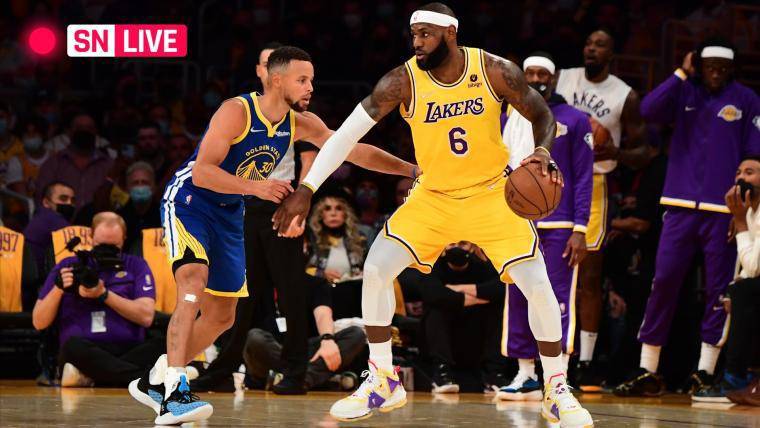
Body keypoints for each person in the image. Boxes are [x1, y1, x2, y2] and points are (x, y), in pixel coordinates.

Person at [273, 4, 593, 426]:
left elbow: (542, 115)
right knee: (376, 268)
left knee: (537, 284)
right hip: (434, 197)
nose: (417, 43)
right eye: (414, 35)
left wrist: (542, 152)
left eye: (426, 34)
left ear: (451, 33)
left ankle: (556, 387)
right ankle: (383, 379)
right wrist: (307, 188)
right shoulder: (402, 80)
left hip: (492, 194)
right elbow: (344, 136)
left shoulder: (493, 70)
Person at [129, 46, 417, 425]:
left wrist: (411, 169)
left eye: (311, 79)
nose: (310, 87)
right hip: (190, 203)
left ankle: (157, 378)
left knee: (222, 316)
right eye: (302, 79)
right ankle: (175, 391)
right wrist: (257, 187)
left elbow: (351, 150)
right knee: (193, 283)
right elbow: (202, 172)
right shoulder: (236, 111)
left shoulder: (299, 122)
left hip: (230, 212)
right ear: (277, 80)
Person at [614, 39, 760, 397]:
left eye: (722, 68)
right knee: (663, 282)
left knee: (718, 290)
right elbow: (648, 109)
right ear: (699, 65)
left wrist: (741, 209)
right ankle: (648, 369)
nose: (716, 73)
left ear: (732, 69)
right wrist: (680, 72)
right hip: (678, 204)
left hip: (722, 210)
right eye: (709, 66)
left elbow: (754, 156)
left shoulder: (747, 99)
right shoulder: (684, 91)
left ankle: (705, 371)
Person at [189, 41, 320, 396]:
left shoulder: (297, 114)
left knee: (291, 292)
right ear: (265, 73)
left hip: (282, 205)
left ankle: (296, 371)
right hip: (241, 205)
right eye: (262, 63)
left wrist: (302, 201)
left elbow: (313, 156)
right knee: (239, 294)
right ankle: (224, 368)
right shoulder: (241, 111)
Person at [554, 29, 649, 391]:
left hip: (594, 183)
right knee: (545, 272)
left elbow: (644, 151)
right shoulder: (562, 78)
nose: (591, 48)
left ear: (612, 54)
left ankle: (586, 362)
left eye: (600, 45)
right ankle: (544, 355)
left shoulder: (625, 95)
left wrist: (617, 153)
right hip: (552, 179)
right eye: (588, 43)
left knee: (589, 278)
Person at [498, 52, 593, 401]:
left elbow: (584, 177)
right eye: (531, 73)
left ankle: (558, 376)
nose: (536, 79)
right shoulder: (508, 116)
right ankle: (525, 373)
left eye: (543, 74)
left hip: (561, 223)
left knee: (555, 297)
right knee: (518, 294)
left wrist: (581, 228)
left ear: (553, 78)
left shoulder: (575, 119)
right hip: (517, 222)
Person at [31, 212, 162, 387]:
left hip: (127, 348)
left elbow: (146, 317)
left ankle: (90, 376)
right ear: (91, 236)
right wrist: (58, 288)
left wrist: (104, 294)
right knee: (72, 347)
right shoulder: (68, 265)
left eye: (113, 246)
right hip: (84, 350)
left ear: (124, 239)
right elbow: (39, 322)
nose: (106, 250)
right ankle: (144, 380)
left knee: (164, 344)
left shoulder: (136, 265)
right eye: (101, 245)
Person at [692, 156, 760, 405]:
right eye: (738, 172)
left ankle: (735, 379)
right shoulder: (751, 210)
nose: (741, 178)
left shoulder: (747, 215)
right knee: (738, 291)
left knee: (744, 291)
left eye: (750, 172)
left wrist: (739, 222)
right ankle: (742, 376)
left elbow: (754, 267)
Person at [244, 274, 367, 391]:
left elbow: (323, 314)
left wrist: (327, 339)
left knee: (356, 334)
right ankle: (317, 379)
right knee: (255, 338)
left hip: (309, 352)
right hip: (275, 351)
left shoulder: (316, 283)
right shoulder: (259, 286)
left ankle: (291, 379)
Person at [418, 241, 508, 394]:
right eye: (452, 244)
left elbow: (501, 289)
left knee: (497, 308)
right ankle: (442, 373)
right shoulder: (432, 266)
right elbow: (432, 293)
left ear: (472, 247)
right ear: (444, 247)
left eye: (463, 244)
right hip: (443, 334)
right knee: (435, 310)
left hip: (476, 334)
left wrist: (458, 289)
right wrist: (479, 297)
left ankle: (494, 374)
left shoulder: (482, 266)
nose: (457, 249)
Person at [34, 121, 113, 211]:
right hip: (60, 218)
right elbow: (41, 197)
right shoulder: (54, 163)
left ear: (96, 132)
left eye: (89, 128)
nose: (84, 131)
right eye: (79, 128)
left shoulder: (108, 164)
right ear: (69, 132)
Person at [307, 194, 369, 284]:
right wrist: (321, 274)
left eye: (339, 208)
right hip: (320, 290)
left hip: (353, 289)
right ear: (320, 214)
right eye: (327, 209)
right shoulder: (311, 239)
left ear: (346, 213)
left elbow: (370, 267)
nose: (333, 213)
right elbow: (300, 269)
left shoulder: (359, 239)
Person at [23, 182, 76, 272]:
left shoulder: (40, 216)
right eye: (63, 199)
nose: (69, 203)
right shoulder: (49, 218)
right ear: (46, 202)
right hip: (39, 276)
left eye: (73, 200)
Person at [117, 162, 162, 251]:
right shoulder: (119, 219)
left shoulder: (165, 217)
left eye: (145, 182)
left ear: (154, 187)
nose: (140, 187)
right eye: (135, 183)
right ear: (127, 188)